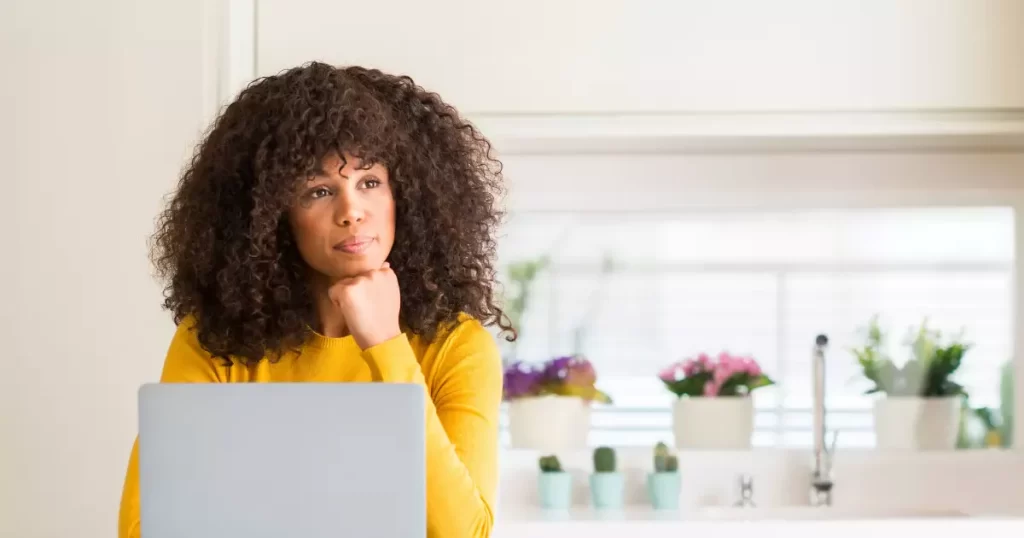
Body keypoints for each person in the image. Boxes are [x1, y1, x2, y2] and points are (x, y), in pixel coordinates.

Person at [117, 62, 513, 538]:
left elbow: (464, 533)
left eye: (369, 182)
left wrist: (386, 344)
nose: (351, 212)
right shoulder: (217, 341)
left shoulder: (456, 347)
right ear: (272, 216)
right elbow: (146, 527)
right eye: (319, 191)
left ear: (403, 196)